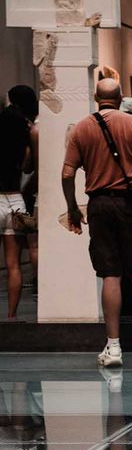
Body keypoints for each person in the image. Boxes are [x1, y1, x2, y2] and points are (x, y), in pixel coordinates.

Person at [62, 79, 132, 366]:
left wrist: (73, 208)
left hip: (99, 204)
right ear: (122, 96)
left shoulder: (81, 128)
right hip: (130, 204)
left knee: (110, 274)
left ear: (95, 97)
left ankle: (113, 348)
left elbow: (67, 174)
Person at [1, 98, 34, 319]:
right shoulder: (23, 145)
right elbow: (27, 168)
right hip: (15, 201)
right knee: (13, 265)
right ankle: (11, 316)